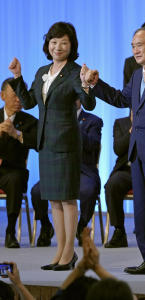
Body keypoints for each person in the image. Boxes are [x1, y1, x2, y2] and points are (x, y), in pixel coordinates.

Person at [82, 26, 145, 276]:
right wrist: (96, 84)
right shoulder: (137, 74)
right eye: (133, 45)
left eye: (140, 44)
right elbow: (121, 99)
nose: (135, 50)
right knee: (141, 208)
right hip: (138, 149)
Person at [8, 22, 96, 270]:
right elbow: (27, 102)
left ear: (71, 46)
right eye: (54, 41)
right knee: (54, 201)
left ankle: (69, 253)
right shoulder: (42, 71)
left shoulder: (74, 71)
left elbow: (88, 105)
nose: (58, 46)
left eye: (63, 42)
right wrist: (17, 77)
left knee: (68, 199)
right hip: (46, 143)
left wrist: (87, 83)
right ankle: (59, 251)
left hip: (66, 143)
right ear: (48, 44)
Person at [31, 99, 103, 247]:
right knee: (37, 191)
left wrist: (74, 126)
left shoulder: (93, 121)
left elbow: (93, 145)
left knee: (89, 190)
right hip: (58, 168)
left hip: (83, 171)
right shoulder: (53, 120)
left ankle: (81, 226)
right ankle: (46, 226)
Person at [0, 78, 37, 248]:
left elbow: (38, 144)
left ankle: (10, 231)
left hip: (14, 171)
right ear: (2, 96)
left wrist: (16, 134)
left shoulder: (29, 121)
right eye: (14, 96)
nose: (18, 100)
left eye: (21, 96)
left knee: (15, 180)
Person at [103, 114, 133, 248]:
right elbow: (118, 149)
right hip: (126, 169)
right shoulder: (120, 123)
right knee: (111, 185)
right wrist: (131, 132)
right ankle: (119, 231)